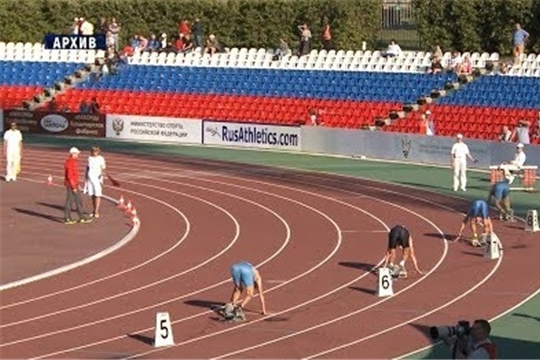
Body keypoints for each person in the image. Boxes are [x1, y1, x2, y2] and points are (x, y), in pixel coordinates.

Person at [64, 147, 92, 225]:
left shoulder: (74, 161)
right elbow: (69, 176)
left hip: (74, 184)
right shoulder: (70, 162)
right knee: (70, 201)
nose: (78, 155)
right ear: (73, 154)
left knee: (78, 201)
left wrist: (77, 185)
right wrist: (73, 187)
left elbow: (74, 176)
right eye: (76, 153)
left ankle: (81, 217)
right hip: (71, 185)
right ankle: (67, 218)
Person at [84, 146, 106, 218]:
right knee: (93, 195)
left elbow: (103, 167)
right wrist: (86, 176)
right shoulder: (89, 158)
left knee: (97, 194)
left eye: (96, 151)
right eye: (93, 151)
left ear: (98, 151)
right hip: (90, 178)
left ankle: (97, 211)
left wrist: (102, 173)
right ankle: (94, 210)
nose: (94, 152)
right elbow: (87, 168)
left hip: (97, 178)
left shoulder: (101, 158)